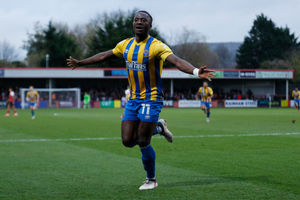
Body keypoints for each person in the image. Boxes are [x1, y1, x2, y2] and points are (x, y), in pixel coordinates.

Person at [67, 10, 215, 190]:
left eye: (143, 20)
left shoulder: (156, 46)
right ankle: (159, 127)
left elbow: (176, 61)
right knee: (128, 141)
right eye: (136, 19)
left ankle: (151, 179)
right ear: (133, 24)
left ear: (150, 25)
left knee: (143, 141)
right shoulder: (125, 45)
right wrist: (81, 63)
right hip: (133, 99)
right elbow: (104, 55)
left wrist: (195, 71)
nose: (139, 22)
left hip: (151, 99)